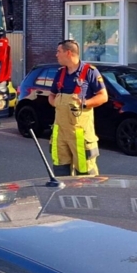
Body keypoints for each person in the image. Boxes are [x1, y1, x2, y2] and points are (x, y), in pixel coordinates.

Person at [47, 39, 107, 176]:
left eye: (59, 51)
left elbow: (103, 96)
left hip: (80, 135)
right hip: (60, 134)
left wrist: (84, 103)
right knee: (60, 173)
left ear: (68, 53)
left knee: (86, 174)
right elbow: (51, 95)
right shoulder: (60, 73)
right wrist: (57, 103)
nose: (56, 55)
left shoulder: (90, 72)